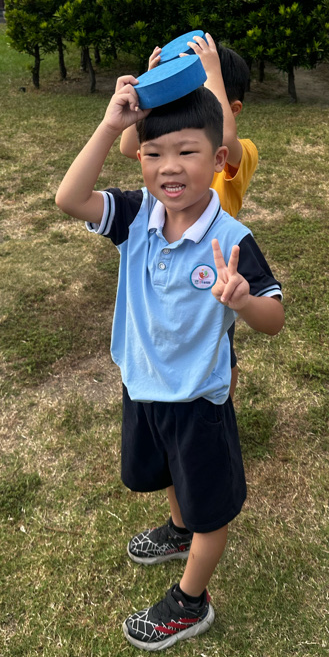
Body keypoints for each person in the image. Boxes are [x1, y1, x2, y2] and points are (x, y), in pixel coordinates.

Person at [55, 79, 284, 651]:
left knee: (211, 511)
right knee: (168, 476)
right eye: (154, 153)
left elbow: (274, 318)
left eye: (187, 151)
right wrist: (111, 126)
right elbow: (70, 199)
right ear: (139, 159)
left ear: (219, 159)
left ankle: (190, 601)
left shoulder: (232, 238)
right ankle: (179, 531)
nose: (170, 167)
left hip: (198, 400)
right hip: (142, 385)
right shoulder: (137, 215)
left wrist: (243, 300)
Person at [120, 32, 258, 399]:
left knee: (218, 347)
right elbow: (128, 145)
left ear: (233, 108)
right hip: (170, 249)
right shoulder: (175, 142)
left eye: (205, 93)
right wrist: (150, 88)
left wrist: (211, 70)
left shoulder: (241, 151)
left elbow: (225, 136)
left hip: (214, 264)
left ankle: (220, 402)